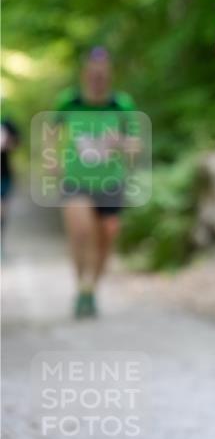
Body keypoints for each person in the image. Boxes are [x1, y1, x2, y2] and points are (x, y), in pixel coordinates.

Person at [49, 47, 137, 318]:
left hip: (110, 183)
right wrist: (51, 161)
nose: (98, 77)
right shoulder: (68, 101)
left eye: (103, 73)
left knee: (105, 239)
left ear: (109, 75)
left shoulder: (121, 104)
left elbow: (135, 145)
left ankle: (91, 290)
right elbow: (50, 133)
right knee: (80, 232)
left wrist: (120, 143)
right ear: (85, 73)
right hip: (76, 180)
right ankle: (80, 286)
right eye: (93, 72)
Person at [1, 112, 21, 256]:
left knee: (2, 211)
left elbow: (17, 143)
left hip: (4, 175)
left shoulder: (7, 123)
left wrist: (7, 143)